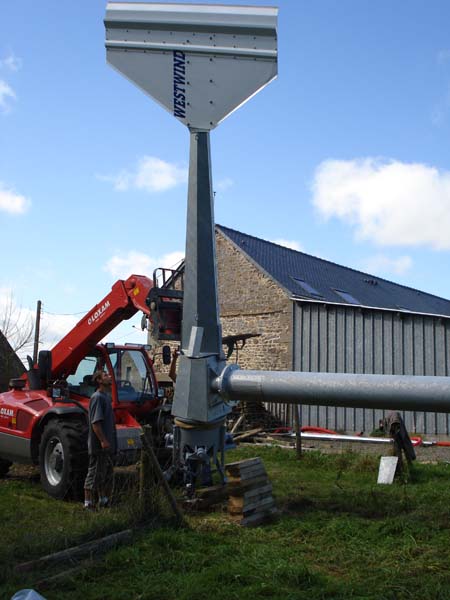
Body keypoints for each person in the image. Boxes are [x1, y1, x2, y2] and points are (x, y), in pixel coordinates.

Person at [83, 370, 117, 509]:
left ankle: (103, 500)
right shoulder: (97, 397)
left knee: (105, 473)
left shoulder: (106, 397)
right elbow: (95, 423)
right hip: (99, 446)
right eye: (106, 375)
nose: (110, 376)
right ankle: (88, 503)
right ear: (99, 380)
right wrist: (103, 441)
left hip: (107, 446)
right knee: (94, 473)